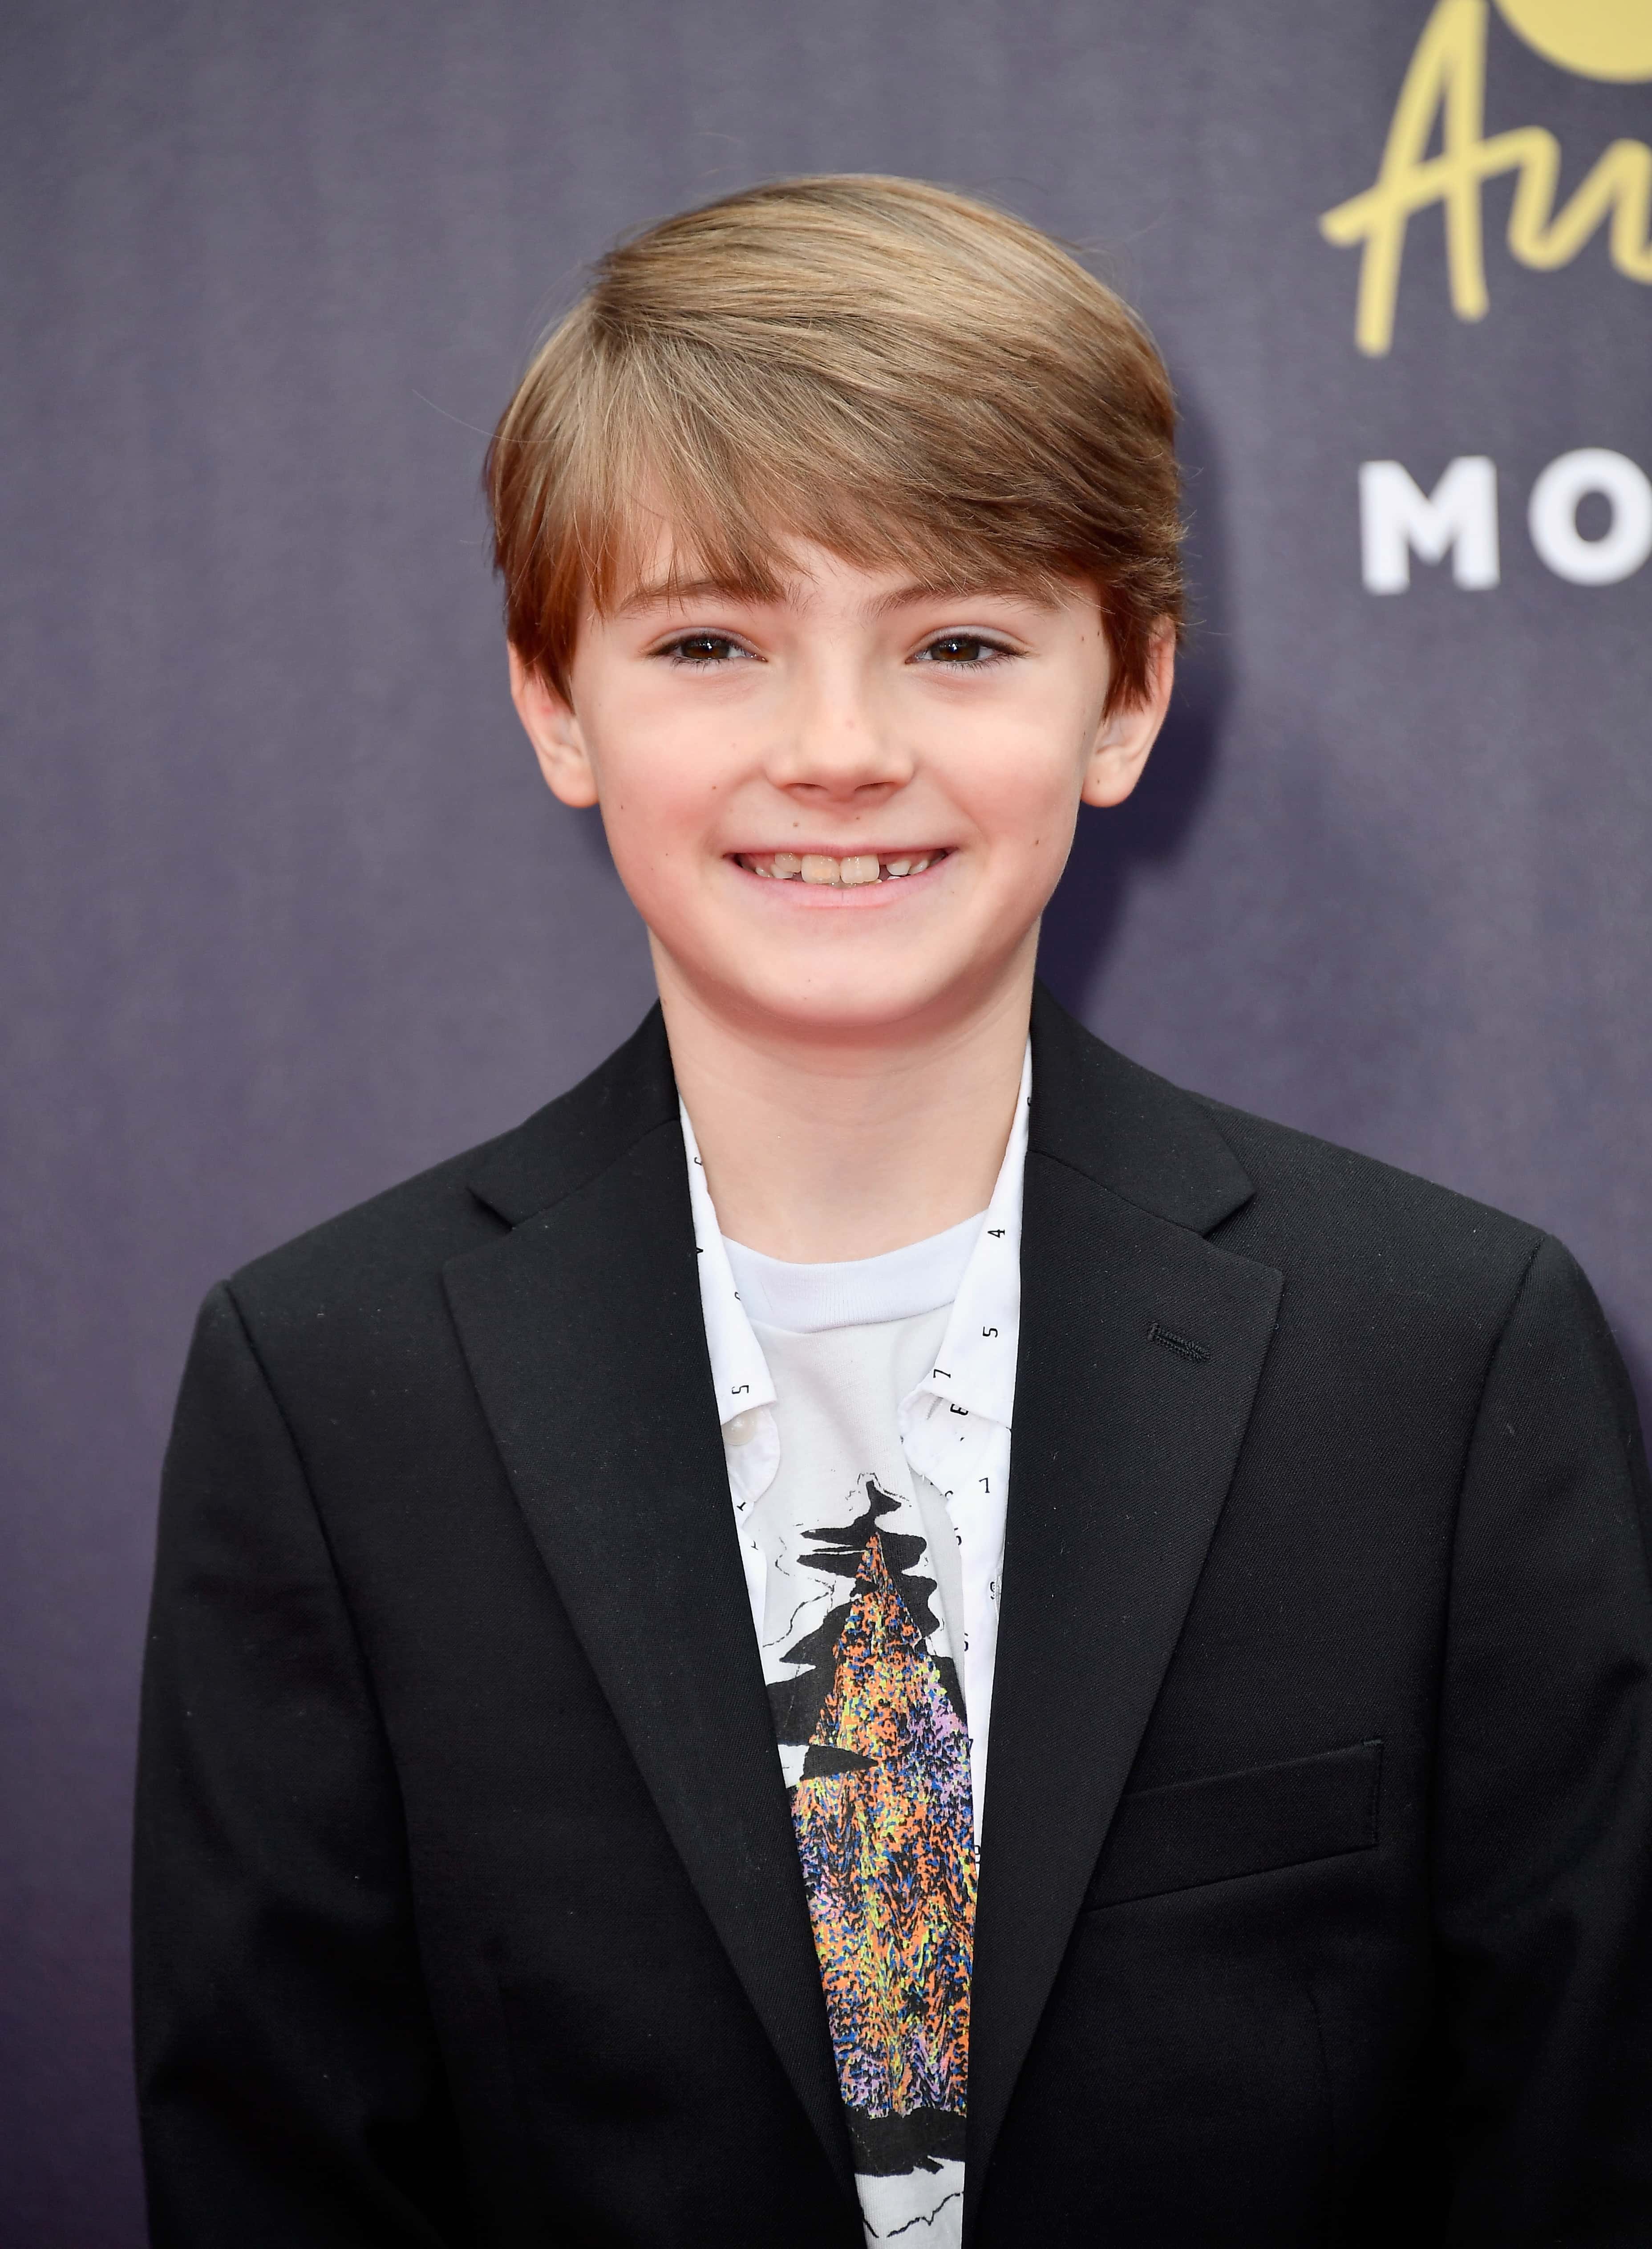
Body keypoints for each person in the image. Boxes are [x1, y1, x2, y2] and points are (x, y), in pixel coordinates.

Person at [133, 175, 1652, 2247]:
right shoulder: (331, 1393)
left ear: (1124, 697)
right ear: (556, 702)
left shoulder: (1445, 1357)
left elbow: (1579, 2142)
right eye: (710, 643)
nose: (838, 752)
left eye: (956, 643)